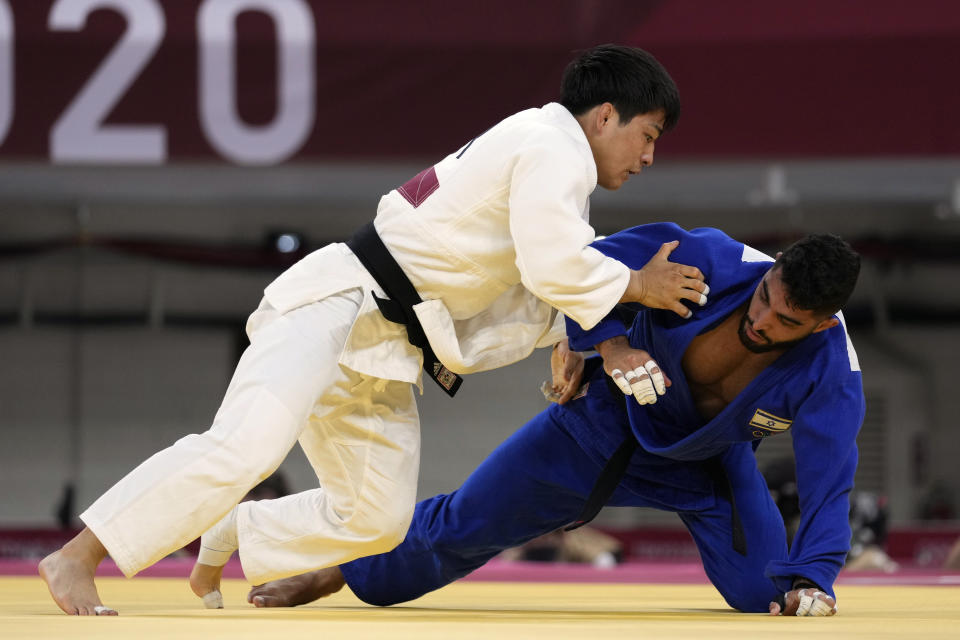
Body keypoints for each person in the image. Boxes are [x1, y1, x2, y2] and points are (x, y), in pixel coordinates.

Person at [39, 45, 710, 616]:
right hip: (337, 300)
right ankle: (78, 555)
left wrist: (579, 333)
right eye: (647, 134)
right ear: (603, 116)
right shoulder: (551, 144)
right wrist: (635, 285)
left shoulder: (551, 168)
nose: (649, 156)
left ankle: (238, 530)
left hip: (390, 344)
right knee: (246, 447)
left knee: (376, 518)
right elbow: (555, 263)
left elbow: (545, 278)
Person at [244, 224, 863, 618]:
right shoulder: (711, 261)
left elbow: (827, 480)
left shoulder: (831, 374)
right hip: (598, 427)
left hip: (706, 469)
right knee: (455, 531)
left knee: (768, 597)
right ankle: (346, 564)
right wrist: (608, 344)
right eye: (766, 301)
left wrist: (815, 578)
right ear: (772, 269)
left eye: (787, 324)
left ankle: (796, 580)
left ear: (822, 322)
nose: (763, 323)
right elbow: (586, 267)